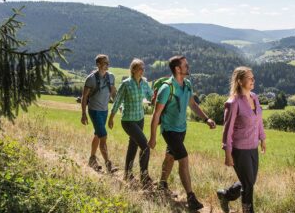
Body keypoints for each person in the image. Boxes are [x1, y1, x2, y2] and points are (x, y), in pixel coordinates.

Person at [148, 55, 216, 211]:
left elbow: (192, 104)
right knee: (183, 159)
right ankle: (191, 197)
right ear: (177, 69)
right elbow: (156, 114)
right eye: (185, 65)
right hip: (169, 130)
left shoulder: (187, 84)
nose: (188, 66)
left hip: (181, 129)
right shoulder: (167, 88)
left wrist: (206, 119)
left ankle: (162, 184)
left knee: (171, 156)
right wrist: (152, 138)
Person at [217, 67, 266, 213]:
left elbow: (259, 121)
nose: (253, 80)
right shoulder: (233, 103)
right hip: (239, 149)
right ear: (239, 80)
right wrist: (227, 153)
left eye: (253, 77)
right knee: (248, 185)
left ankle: (225, 195)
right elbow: (227, 130)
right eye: (249, 78)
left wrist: (262, 138)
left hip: (253, 147)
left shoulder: (255, 97)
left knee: (250, 181)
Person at [108, 58, 154, 188]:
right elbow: (117, 101)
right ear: (133, 70)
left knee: (133, 146)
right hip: (128, 121)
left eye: (143, 68)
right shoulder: (126, 84)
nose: (143, 70)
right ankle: (144, 177)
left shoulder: (144, 83)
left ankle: (127, 174)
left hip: (140, 119)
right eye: (140, 68)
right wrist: (111, 117)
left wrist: (157, 97)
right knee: (145, 146)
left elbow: (151, 97)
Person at [81, 54, 117, 173]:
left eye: (108, 63)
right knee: (103, 136)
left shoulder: (111, 77)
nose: (107, 65)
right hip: (94, 111)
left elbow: (113, 92)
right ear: (98, 64)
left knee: (97, 135)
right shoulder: (91, 78)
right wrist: (84, 114)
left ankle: (92, 159)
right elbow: (84, 97)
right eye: (105, 63)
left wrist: (117, 105)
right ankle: (108, 164)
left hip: (104, 111)